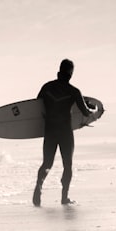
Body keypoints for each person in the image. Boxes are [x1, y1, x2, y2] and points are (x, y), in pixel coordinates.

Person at [33, 59, 96, 206]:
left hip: (50, 130)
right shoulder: (73, 91)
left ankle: (38, 189)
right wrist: (94, 109)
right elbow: (86, 113)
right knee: (67, 165)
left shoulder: (47, 87)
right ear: (71, 74)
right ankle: (64, 198)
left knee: (47, 163)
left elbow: (36, 108)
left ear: (59, 70)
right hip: (65, 132)